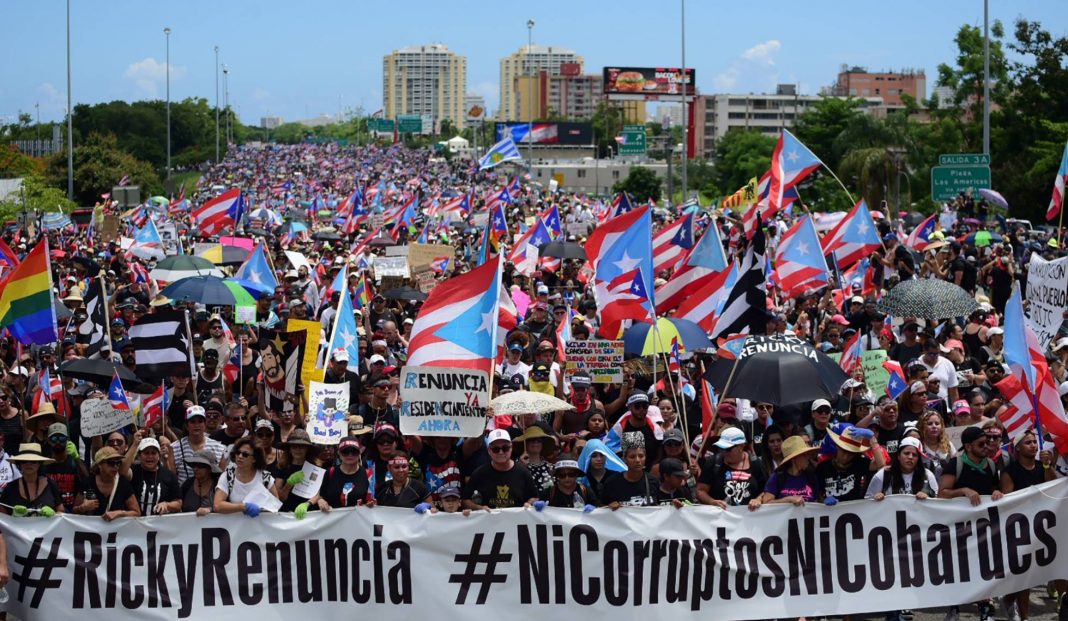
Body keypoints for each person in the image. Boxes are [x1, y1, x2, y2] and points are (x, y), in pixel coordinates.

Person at [999, 430, 1056, 621]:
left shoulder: (1043, 466)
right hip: (1020, 528)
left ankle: (1009, 599)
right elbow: (1008, 500)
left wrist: (1048, 465)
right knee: (1025, 577)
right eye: (1028, 442)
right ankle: (1023, 616)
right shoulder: (1010, 472)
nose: (1033, 445)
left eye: (1034, 442)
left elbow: (1055, 489)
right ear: (1017, 448)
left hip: (1045, 527)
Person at [463, 429, 539, 510]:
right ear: (489, 450)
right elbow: (465, 500)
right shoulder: (479, 473)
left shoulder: (523, 472)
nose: (501, 452)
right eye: (496, 449)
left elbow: (535, 497)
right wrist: (479, 508)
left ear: (511, 448)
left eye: (505, 448)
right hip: (489, 521)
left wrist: (529, 504)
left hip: (515, 521)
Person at [697, 426, 767, 509]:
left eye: (728, 449)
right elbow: (700, 491)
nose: (723, 452)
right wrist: (711, 502)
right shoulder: (714, 462)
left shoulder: (756, 464)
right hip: (720, 519)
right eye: (721, 448)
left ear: (741, 446)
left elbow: (767, 490)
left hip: (748, 518)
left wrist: (758, 499)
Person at [815, 423, 885, 502]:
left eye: (850, 454)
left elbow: (881, 464)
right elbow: (817, 494)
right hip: (831, 512)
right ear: (837, 447)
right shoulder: (823, 467)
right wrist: (823, 500)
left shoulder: (859, 463)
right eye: (843, 451)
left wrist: (872, 439)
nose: (845, 457)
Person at [750, 436, 821, 510]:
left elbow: (816, 504)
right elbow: (766, 503)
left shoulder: (811, 477)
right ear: (794, 458)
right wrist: (788, 499)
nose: (808, 457)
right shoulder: (777, 477)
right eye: (804, 455)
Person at [213, 437, 277, 517]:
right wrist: (243, 507)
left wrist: (260, 509)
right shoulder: (227, 476)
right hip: (234, 527)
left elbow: (275, 505)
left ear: (254, 459)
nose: (240, 456)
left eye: (245, 454)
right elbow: (217, 505)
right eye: (238, 452)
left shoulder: (265, 477)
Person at [73, 447, 141, 521]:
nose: (116, 467)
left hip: (116, 531)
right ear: (99, 465)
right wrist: (82, 508)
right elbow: (74, 511)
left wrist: (119, 513)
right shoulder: (88, 483)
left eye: (118, 463)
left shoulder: (123, 484)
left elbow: (137, 513)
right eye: (111, 463)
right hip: (92, 531)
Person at [121, 433, 180, 516]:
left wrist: (167, 505)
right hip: (134, 524)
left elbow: (178, 503)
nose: (150, 456)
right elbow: (122, 471)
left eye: (153, 453)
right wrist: (135, 445)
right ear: (139, 456)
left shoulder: (169, 475)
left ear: (159, 456)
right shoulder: (133, 471)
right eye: (146, 453)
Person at [866, 437, 939, 500]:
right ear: (898, 456)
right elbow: (867, 502)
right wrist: (875, 499)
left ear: (918, 459)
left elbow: (937, 500)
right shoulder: (883, 474)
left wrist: (928, 497)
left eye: (914, 455)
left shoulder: (927, 475)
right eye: (906, 453)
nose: (910, 457)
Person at [600, 432, 659, 509]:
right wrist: (609, 507)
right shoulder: (612, 483)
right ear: (624, 459)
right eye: (632, 457)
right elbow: (601, 509)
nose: (637, 460)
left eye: (641, 456)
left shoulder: (653, 481)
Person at [0, 443, 62, 516]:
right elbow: (2, 516)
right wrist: (13, 516)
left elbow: (61, 510)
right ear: (19, 464)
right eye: (24, 461)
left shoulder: (51, 485)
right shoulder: (10, 488)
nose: (28, 464)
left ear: (39, 463)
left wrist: (54, 515)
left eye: (33, 461)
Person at [311, 436, 372, 511]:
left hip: (358, 520)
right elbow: (321, 496)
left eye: (354, 451)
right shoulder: (330, 472)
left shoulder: (368, 474)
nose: (350, 454)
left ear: (359, 452)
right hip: (333, 520)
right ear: (339, 453)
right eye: (345, 451)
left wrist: (371, 504)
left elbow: (371, 501)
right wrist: (320, 501)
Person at [159, 450, 220, 516]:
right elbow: (177, 504)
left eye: (200, 465)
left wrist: (210, 509)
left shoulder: (218, 485)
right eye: (194, 465)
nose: (195, 469)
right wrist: (167, 505)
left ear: (210, 468)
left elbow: (226, 505)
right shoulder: (187, 484)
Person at [273, 429, 317, 512]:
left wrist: (308, 504)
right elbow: (279, 498)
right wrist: (289, 484)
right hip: (287, 513)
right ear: (289, 449)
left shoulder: (315, 469)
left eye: (302, 446)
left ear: (307, 449)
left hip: (309, 513)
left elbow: (319, 494)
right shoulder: (282, 467)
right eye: (294, 446)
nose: (298, 449)